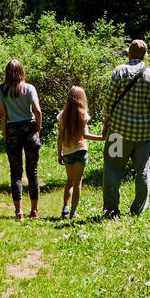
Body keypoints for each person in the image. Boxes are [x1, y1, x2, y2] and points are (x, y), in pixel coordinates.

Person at [99, 40, 150, 219]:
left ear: (129, 54)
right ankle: (137, 210)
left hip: (118, 133)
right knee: (142, 171)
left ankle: (111, 211)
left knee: (112, 168)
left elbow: (109, 102)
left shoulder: (119, 72)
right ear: (145, 55)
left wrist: (106, 125)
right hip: (142, 136)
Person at [0, 59, 42, 219]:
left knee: (16, 172)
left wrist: (5, 133)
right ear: (22, 71)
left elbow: (3, 114)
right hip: (29, 129)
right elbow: (37, 111)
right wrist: (38, 128)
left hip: (12, 130)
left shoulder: (2, 90)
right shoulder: (29, 88)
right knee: (32, 171)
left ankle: (18, 211)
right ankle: (34, 210)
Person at [56, 86, 105, 219]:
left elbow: (60, 136)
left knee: (69, 181)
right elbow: (86, 135)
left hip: (67, 151)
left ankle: (65, 210)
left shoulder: (62, 115)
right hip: (80, 150)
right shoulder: (83, 115)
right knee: (77, 182)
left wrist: (59, 153)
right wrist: (102, 138)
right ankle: (73, 213)